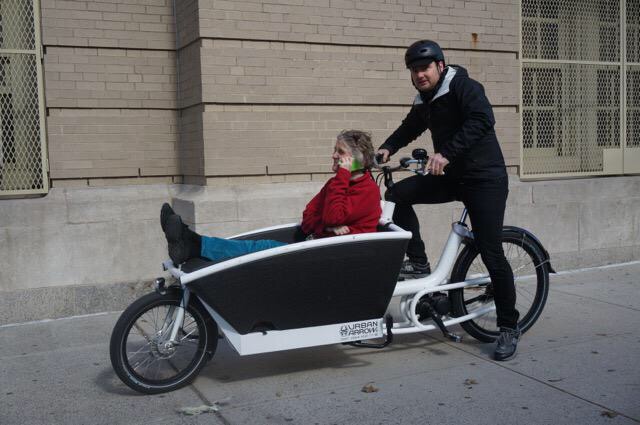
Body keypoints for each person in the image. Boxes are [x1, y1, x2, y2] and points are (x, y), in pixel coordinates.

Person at [376, 40, 520, 361]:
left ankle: (509, 327)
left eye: (425, 68)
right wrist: (387, 147)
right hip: (453, 177)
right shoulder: (426, 99)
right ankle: (419, 262)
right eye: (414, 70)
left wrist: (445, 153)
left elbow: (482, 121)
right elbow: (410, 127)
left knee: (490, 249)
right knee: (397, 194)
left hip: (485, 180)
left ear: (440, 66)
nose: (420, 75)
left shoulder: (464, 87)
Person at [161, 130, 382, 265]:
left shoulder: (367, 190)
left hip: (334, 260)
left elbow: (333, 217)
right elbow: (308, 217)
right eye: (335, 149)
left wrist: (329, 221)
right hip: (318, 247)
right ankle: (193, 242)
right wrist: (327, 227)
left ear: (357, 160)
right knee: (255, 246)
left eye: (340, 152)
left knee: (257, 251)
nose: (333, 155)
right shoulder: (336, 184)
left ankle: (193, 245)